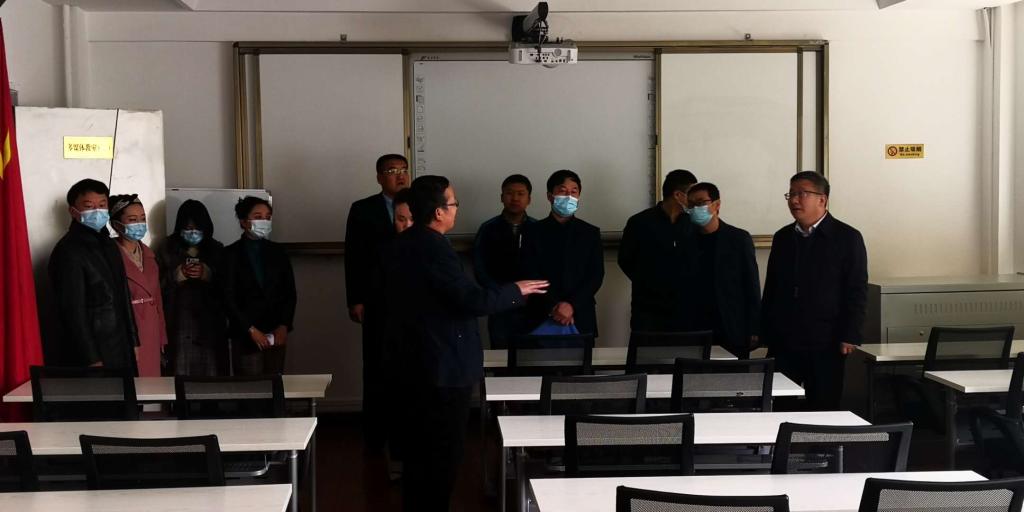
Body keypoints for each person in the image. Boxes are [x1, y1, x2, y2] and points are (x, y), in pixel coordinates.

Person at [382, 175, 547, 512]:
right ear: (439, 212)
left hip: (415, 362)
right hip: (441, 367)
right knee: (441, 456)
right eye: (453, 203)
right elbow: (470, 300)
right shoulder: (433, 248)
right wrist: (515, 291)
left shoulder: (403, 243)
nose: (456, 209)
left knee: (419, 455)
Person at [761, 171, 868, 411]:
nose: (794, 200)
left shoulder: (847, 237)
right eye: (791, 194)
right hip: (785, 339)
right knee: (778, 405)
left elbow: (856, 289)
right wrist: (764, 331)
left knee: (823, 405)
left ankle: (821, 438)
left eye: (802, 194)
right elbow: (772, 288)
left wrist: (850, 334)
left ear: (822, 199)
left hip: (826, 340)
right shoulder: (783, 237)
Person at [345, 153, 409, 451]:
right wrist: (355, 299)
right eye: (392, 170)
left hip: (411, 300)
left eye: (403, 169)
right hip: (375, 299)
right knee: (375, 365)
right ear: (379, 177)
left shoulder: (419, 204)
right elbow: (353, 257)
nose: (400, 175)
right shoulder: (363, 209)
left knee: (408, 366)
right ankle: (374, 434)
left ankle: (405, 431)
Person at [47, 179, 138, 370]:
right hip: (95, 352)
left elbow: (124, 295)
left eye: (102, 205)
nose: (97, 211)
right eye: (89, 206)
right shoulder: (68, 250)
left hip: (121, 345)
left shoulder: (109, 244)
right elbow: (72, 311)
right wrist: (91, 357)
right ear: (73, 211)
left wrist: (134, 341)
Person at [520, 170, 604, 336]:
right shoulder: (532, 231)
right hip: (541, 312)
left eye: (574, 192)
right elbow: (530, 272)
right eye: (563, 191)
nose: (569, 196)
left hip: (580, 314)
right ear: (550, 196)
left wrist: (571, 305)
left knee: (582, 353)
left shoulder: (590, 233)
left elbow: (596, 275)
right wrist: (554, 305)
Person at [685, 182, 760, 358]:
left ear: (716, 205)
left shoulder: (738, 239)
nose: (695, 209)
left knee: (733, 374)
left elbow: (751, 285)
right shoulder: (684, 240)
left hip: (732, 326)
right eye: (691, 205)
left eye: (700, 203)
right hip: (694, 327)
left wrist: (755, 328)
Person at [618, 169, 698, 332]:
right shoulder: (639, 222)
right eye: (692, 194)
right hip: (648, 310)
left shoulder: (694, 223)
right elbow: (625, 260)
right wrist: (650, 283)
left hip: (686, 308)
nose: (695, 201)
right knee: (647, 348)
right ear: (678, 195)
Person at [223, 196, 296, 376]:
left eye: (267, 217)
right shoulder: (230, 254)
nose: (264, 221)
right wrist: (251, 329)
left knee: (274, 385)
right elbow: (227, 297)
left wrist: (284, 325)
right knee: (250, 389)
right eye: (258, 217)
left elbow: (289, 292)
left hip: (276, 333)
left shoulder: (278, 252)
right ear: (243, 222)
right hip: (245, 335)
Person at [157, 199, 227, 376]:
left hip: (209, 326)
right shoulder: (166, 248)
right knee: (179, 377)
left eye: (197, 228)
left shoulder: (217, 249)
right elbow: (156, 289)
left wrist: (208, 274)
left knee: (211, 378)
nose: (193, 232)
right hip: (177, 323)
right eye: (188, 228)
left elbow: (228, 289)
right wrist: (177, 275)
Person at [473, 174, 536, 348]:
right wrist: (501, 293)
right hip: (500, 304)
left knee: (530, 356)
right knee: (501, 354)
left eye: (520, 193)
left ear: (529, 199)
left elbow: (545, 266)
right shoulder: (488, 229)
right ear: (502, 197)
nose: (515, 198)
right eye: (509, 193)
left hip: (532, 305)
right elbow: (480, 267)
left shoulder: (537, 229)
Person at [108, 194, 168, 377]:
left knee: (150, 383)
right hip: (127, 332)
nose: (140, 224)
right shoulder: (110, 256)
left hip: (151, 331)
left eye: (142, 219)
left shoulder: (149, 255)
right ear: (116, 224)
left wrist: (162, 337)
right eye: (133, 220)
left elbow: (157, 300)